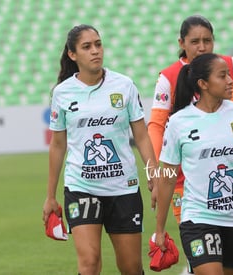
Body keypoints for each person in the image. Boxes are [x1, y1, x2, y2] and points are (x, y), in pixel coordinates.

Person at [42, 24, 157, 275]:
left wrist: (153, 173)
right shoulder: (62, 93)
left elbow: (141, 135)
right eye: (87, 47)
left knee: (131, 267)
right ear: (73, 55)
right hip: (81, 187)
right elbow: (58, 145)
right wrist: (50, 196)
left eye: (98, 44)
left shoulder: (124, 85)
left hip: (123, 188)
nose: (95, 51)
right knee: (89, 263)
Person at [154, 53, 233, 275]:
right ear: (203, 84)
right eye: (222, 76)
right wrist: (160, 228)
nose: (230, 81)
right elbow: (167, 177)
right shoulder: (178, 122)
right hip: (198, 217)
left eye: (229, 75)